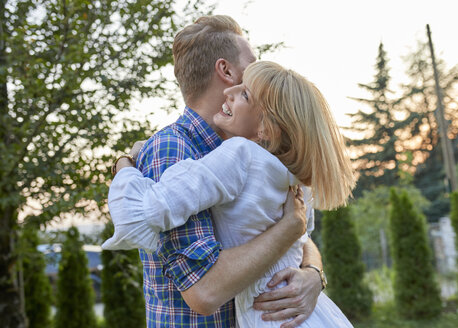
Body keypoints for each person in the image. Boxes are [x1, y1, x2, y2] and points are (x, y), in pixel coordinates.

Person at [107, 15, 327, 328]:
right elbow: (204, 292)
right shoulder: (174, 150)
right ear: (226, 71)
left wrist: (313, 274)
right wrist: (287, 229)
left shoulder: (251, 149)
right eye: (252, 64)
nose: (258, 72)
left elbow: (300, 234)